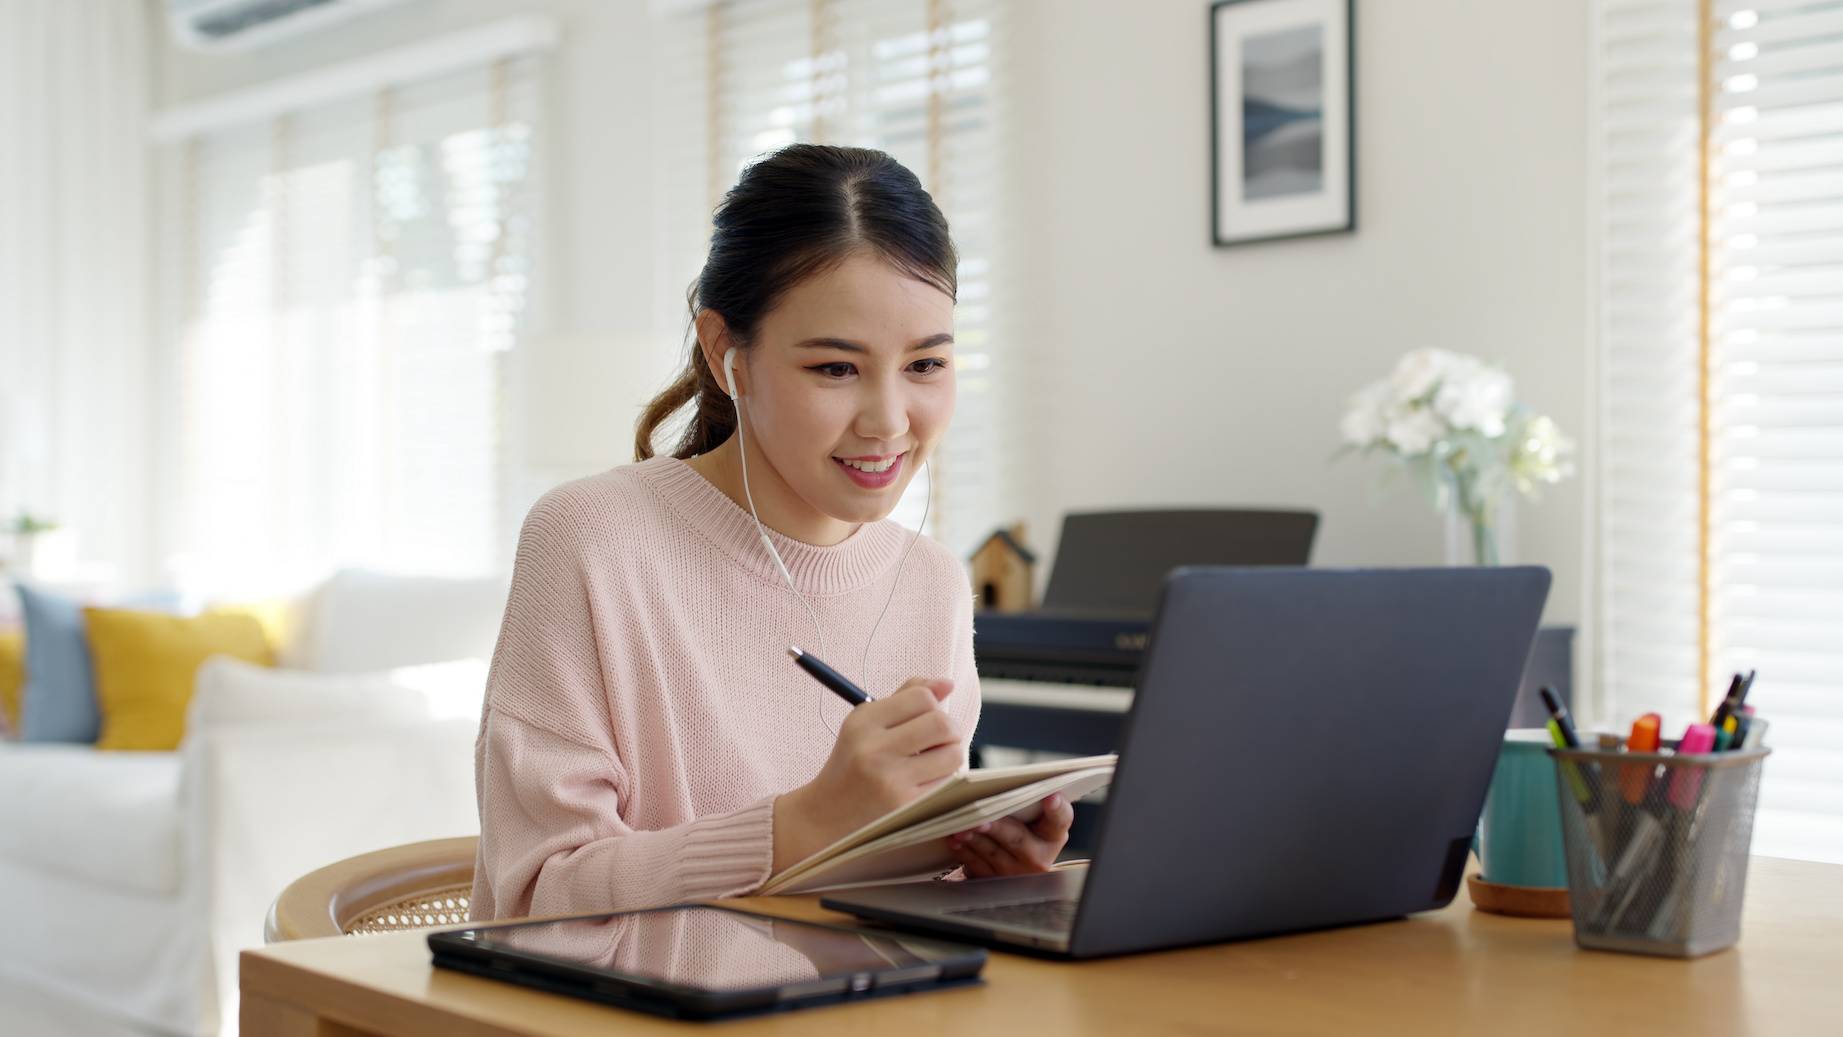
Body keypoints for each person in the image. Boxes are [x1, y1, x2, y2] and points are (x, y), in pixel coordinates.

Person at [472, 144, 1072, 920]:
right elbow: (531, 896)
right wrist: (804, 824)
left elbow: (877, 914)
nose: (889, 422)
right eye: (834, 369)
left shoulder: (930, 581)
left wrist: (982, 875)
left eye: (924, 365)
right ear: (728, 355)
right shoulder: (592, 538)